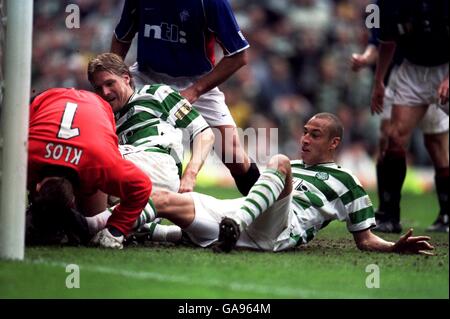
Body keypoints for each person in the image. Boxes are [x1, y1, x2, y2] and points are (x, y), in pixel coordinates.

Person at [87, 113, 434, 255]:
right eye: (305, 132)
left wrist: (392, 248)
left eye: (315, 135)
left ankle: (232, 226)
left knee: (278, 163)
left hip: (276, 231)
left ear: (333, 143)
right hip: (241, 212)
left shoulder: (348, 180)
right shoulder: (293, 165)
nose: (305, 139)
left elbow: (364, 238)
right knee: (162, 198)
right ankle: (99, 229)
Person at [110, 0, 260, 195]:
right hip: (145, 76)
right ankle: (111, 215)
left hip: (196, 80)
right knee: (118, 143)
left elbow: (239, 56)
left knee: (234, 157)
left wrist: (195, 90)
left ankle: (264, 213)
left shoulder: (211, 3)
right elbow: (122, 37)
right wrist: (113, 77)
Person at [351, 26, 449, 233]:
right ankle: (387, 211)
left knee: (435, 142)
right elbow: (381, 40)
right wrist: (368, 61)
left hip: (440, 70)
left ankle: (446, 214)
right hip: (398, 74)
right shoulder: (386, 6)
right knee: (390, 138)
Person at [26, 88, 152, 249]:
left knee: (90, 219)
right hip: (71, 106)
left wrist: (116, 229)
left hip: (54, 99)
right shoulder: (25, 155)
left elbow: (142, 187)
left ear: (37, 186)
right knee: (90, 223)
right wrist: (117, 228)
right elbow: (142, 185)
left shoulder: (23, 157)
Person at [87, 53, 215, 193]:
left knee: (93, 160)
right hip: (127, 173)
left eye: (110, 83)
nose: (105, 92)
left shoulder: (157, 93)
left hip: (157, 165)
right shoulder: (105, 119)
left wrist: (190, 175)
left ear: (126, 78)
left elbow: (204, 133)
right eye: (98, 88)